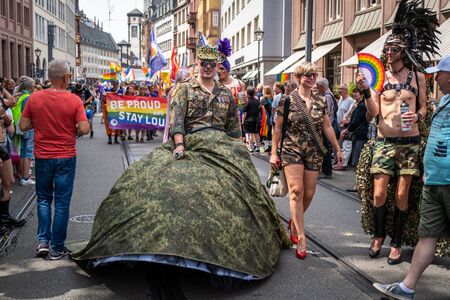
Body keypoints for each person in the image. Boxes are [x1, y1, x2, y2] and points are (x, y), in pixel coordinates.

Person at [70, 42, 289, 280]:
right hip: (191, 142)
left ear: (217, 66)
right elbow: (177, 122)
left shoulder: (226, 93)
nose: (207, 68)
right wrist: (180, 145)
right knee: (149, 179)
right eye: (202, 64)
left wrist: (239, 153)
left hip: (222, 146)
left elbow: (233, 131)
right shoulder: (184, 89)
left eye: (211, 64)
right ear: (197, 65)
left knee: (244, 190)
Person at [356, 0, 439, 265]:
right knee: (380, 194)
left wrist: (418, 115)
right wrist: (365, 91)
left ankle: (396, 240)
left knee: (402, 195)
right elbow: (372, 112)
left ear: (402, 51)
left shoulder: (418, 78)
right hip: (384, 142)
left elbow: (425, 108)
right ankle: (378, 235)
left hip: (410, 144)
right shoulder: (380, 77)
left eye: (392, 49)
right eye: (387, 49)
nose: (388, 53)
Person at [372, 54, 450, 300]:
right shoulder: (446, 100)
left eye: (440, 72)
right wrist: (428, 170)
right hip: (435, 180)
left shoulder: (422, 83)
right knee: (427, 235)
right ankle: (407, 287)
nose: (435, 76)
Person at [270, 62, 343, 259]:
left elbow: (327, 126)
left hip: (314, 151)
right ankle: (301, 236)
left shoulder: (321, 101)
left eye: (314, 75)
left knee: (309, 193)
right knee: (296, 191)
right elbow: (277, 128)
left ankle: (295, 220)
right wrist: (274, 153)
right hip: (291, 149)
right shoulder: (287, 100)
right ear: (299, 77)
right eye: (307, 75)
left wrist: (337, 147)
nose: (312, 78)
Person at [19, 59, 90, 260]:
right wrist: (72, 126)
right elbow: (84, 128)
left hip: (42, 156)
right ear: (66, 77)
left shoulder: (35, 98)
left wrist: (40, 123)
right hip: (66, 157)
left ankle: (43, 241)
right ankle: (57, 247)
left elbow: (23, 126)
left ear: (49, 77)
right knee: (61, 203)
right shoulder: (74, 100)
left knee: (43, 199)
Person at [340, 87, 368, 168]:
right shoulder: (358, 104)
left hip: (359, 132)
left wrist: (347, 129)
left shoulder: (362, 105)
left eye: (356, 92)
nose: (354, 94)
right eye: (353, 92)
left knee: (357, 153)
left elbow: (356, 121)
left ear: (362, 94)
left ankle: (357, 168)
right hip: (356, 132)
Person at [316, 77, 337, 179]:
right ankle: (325, 170)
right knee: (325, 148)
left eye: (317, 87)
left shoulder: (327, 96)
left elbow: (326, 113)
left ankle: (327, 171)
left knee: (325, 148)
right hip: (327, 126)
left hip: (327, 126)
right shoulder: (328, 94)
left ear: (321, 86)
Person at [102, 80, 123, 144]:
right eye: (114, 84)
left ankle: (116, 138)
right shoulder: (108, 91)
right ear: (112, 85)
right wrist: (104, 95)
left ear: (118, 85)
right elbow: (104, 100)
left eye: (116, 84)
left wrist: (121, 96)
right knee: (109, 124)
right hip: (110, 110)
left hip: (117, 110)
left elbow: (124, 100)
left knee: (117, 124)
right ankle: (109, 138)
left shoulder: (120, 91)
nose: (115, 85)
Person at [243, 87, 261, 152]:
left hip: (249, 119)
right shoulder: (257, 101)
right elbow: (259, 110)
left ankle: (251, 147)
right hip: (256, 119)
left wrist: (243, 120)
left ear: (247, 93)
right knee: (256, 133)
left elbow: (245, 112)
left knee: (250, 134)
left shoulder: (247, 102)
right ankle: (258, 147)